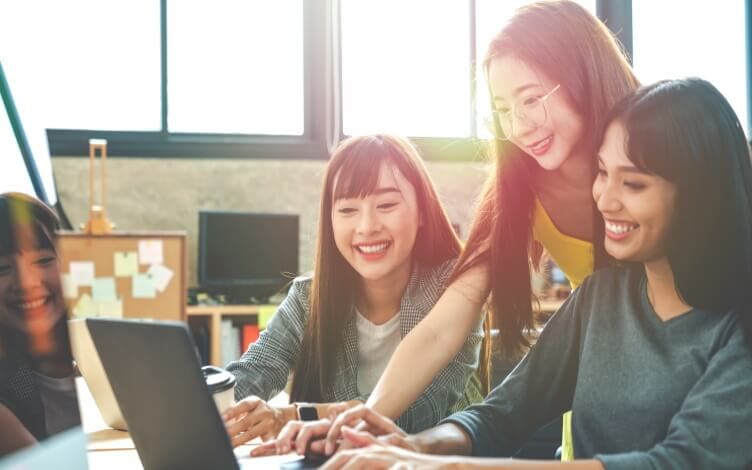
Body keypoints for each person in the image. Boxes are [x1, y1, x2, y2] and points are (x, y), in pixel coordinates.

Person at [272, 78, 752, 469]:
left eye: (634, 183)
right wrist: (410, 447)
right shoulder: (602, 297)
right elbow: (502, 414)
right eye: (602, 173)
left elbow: (674, 463)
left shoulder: (737, 326)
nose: (604, 199)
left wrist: (450, 468)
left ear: (697, 194)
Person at [305, 0, 640, 459]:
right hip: (603, 381)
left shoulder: (659, 146)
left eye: (532, 99)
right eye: (503, 109)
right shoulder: (521, 187)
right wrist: (374, 418)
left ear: (584, 74)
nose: (520, 126)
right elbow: (445, 323)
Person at [222, 134, 485, 447]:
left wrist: (292, 416)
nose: (367, 226)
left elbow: (415, 416)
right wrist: (214, 400)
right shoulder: (308, 297)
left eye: (386, 204)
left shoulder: (455, 291)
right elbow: (252, 374)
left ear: (423, 213)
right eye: (347, 210)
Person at [0, 192, 81, 456]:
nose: (27, 282)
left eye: (44, 260)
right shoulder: (8, 379)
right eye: (2, 268)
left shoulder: (109, 347)